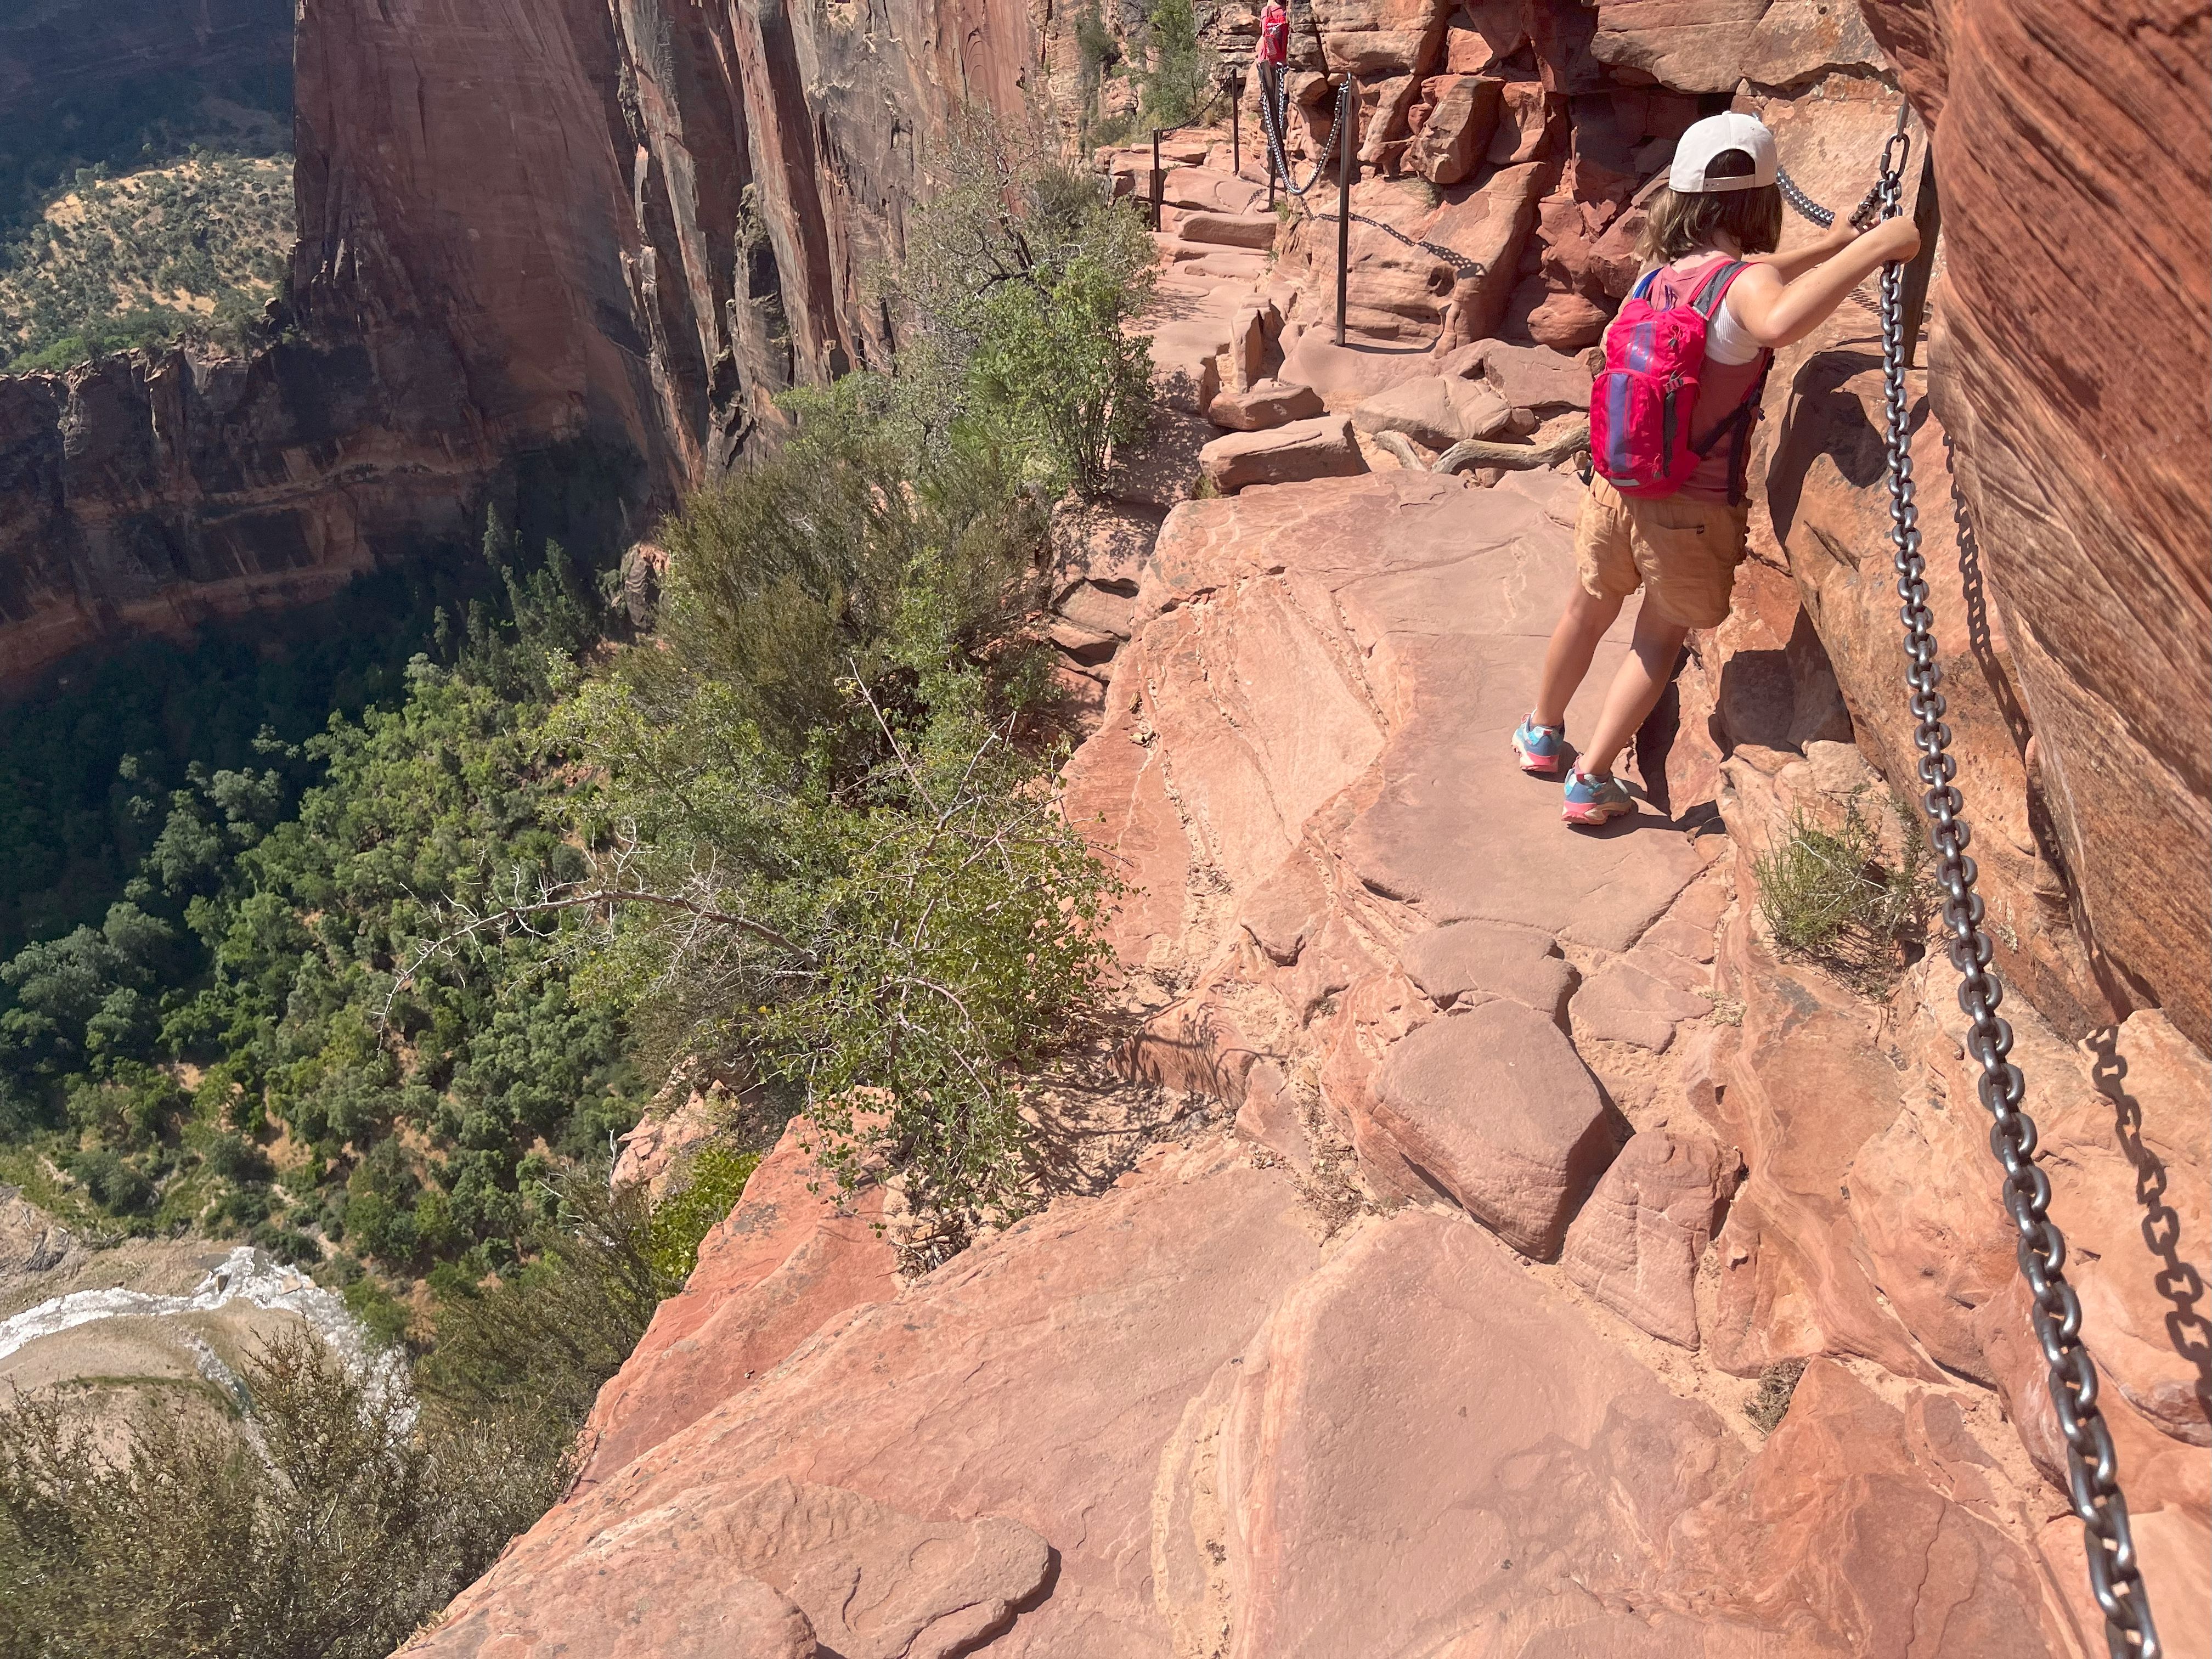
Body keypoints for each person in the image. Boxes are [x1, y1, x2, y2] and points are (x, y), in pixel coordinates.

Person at [1510, 110, 1922, 825]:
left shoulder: (1658, 279)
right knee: (1656, 639)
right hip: (1692, 508)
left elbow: (1748, 283)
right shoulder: (1745, 288)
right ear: (1759, 202)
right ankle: (1592, 777)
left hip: (1619, 484)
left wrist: (1825, 247)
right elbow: (1773, 319)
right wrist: (1879, 246)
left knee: (1586, 606)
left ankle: (1541, 733)